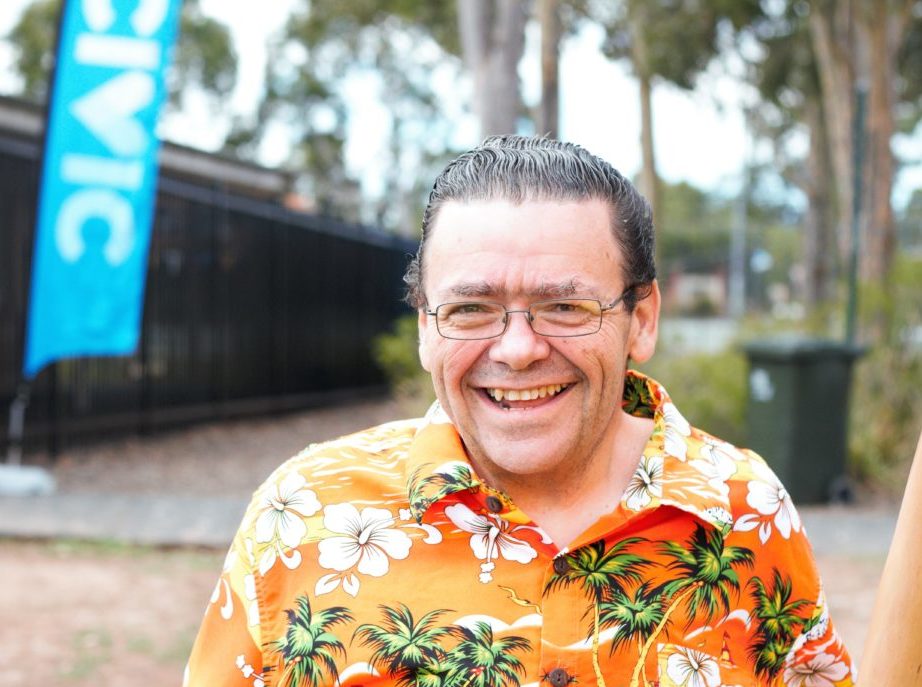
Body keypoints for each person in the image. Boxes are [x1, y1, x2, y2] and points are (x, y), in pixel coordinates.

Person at [185, 136, 855, 687]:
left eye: (565, 305)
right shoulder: (301, 514)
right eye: (470, 308)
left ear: (641, 319)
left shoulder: (743, 513)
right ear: (425, 327)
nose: (517, 349)